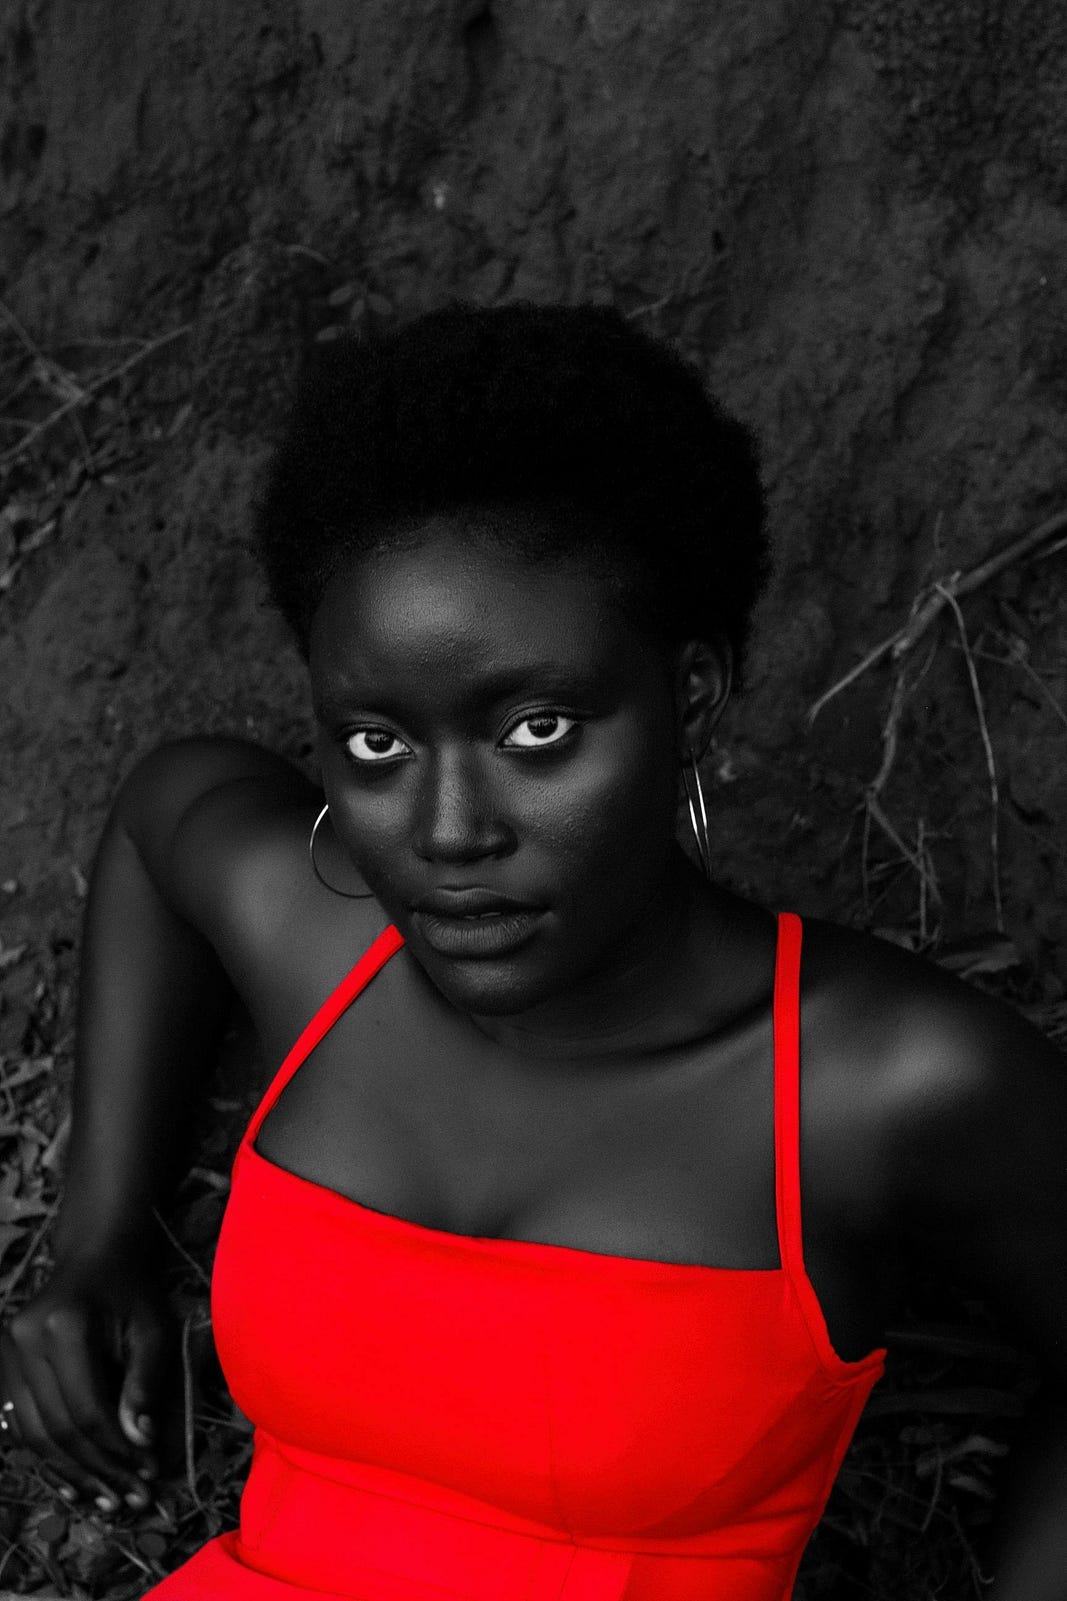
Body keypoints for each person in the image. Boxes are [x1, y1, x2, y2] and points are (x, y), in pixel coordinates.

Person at [0, 302, 1064, 1600]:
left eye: (538, 729)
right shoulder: (326, 951)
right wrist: (96, 1245)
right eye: (380, 744)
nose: (448, 834)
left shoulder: (867, 1082)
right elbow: (171, 809)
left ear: (691, 702)